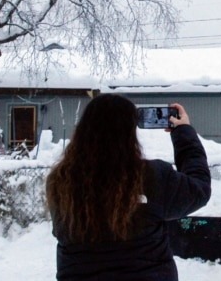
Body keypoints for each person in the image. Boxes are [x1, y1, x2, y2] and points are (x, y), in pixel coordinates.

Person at [46, 94, 211, 280]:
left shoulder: (60, 182)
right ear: (130, 132)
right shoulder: (151, 177)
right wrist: (183, 132)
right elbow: (199, 189)